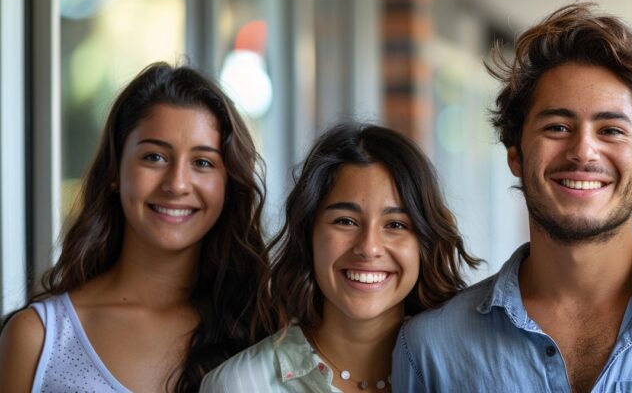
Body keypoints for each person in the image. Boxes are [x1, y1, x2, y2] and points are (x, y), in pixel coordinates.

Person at [393, 1, 632, 392]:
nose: (583, 151)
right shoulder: (432, 350)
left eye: (611, 130)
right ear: (516, 154)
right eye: (558, 127)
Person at [0, 63, 272, 392]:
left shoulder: (265, 326)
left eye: (202, 162)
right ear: (115, 170)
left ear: (228, 185)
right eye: (155, 157)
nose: (177, 184)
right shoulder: (38, 338)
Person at [200, 122, 481, 392]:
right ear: (309, 233)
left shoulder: (468, 376)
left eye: (396, 225)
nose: (369, 247)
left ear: (424, 243)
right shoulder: (239, 386)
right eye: (346, 221)